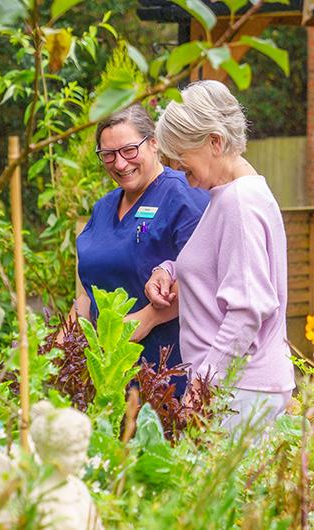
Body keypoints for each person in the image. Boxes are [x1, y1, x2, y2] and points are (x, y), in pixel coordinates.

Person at [145, 80, 295, 430]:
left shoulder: (238, 203)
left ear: (214, 141)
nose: (181, 172)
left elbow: (247, 310)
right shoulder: (228, 197)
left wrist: (200, 389)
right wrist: (168, 270)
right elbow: (214, 264)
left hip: (238, 391)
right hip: (236, 388)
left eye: (183, 160)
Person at [75, 104, 209, 379]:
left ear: (154, 143)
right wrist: (66, 338)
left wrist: (147, 319)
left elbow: (206, 276)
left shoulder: (184, 197)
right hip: (109, 367)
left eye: (129, 150)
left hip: (165, 367)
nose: (120, 163)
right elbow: (89, 289)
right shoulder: (103, 207)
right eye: (108, 155)